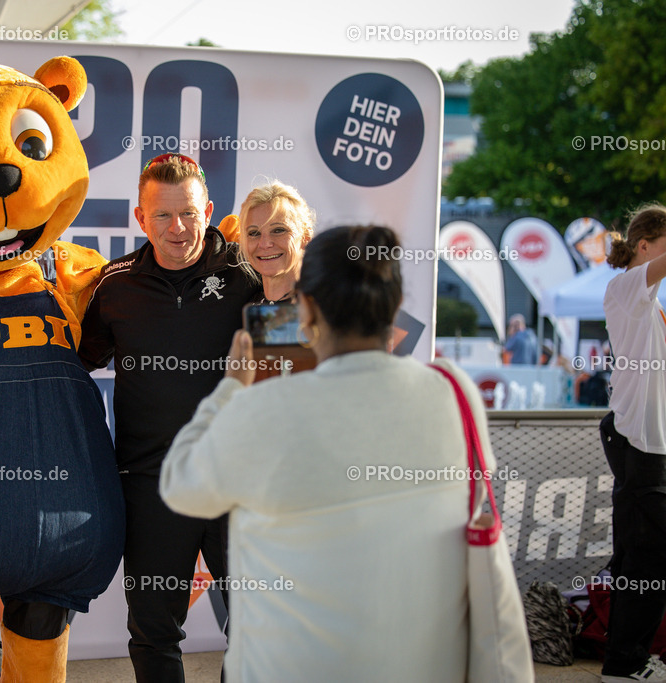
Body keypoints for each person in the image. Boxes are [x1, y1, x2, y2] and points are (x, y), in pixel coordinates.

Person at [160, 225, 501, 681]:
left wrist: (230, 387)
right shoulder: (454, 393)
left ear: (306, 308)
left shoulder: (263, 407)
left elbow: (180, 485)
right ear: (396, 304)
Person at [79, 153, 261, 681]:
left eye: (188, 213)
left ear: (208, 211)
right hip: (152, 484)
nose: (177, 228)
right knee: (153, 630)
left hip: (237, 483)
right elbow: (75, 363)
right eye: (162, 214)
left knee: (257, 624)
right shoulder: (115, 285)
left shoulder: (248, 277)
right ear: (141, 218)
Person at [598, 203, 666, 682]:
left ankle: (627, 660)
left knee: (641, 556)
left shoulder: (650, 302)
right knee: (648, 557)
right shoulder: (626, 288)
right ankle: (625, 663)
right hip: (638, 443)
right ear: (644, 246)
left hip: (647, 444)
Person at [237, 181, 314, 304]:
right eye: (254, 233)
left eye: (278, 230)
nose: (265, 244)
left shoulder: (327, 306)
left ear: (305, 236)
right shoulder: (238, 304)